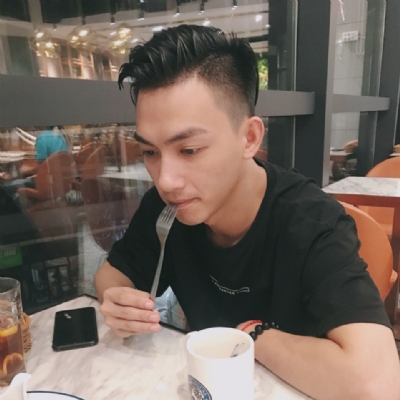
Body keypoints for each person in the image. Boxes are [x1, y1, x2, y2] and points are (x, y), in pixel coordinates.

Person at [94, 25, 400, 399]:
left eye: (189, 150)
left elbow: (377, 384)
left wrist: (252, 334)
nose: (166, 180)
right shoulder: (166, 210)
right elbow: (112, 276)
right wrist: (119, 302)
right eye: (150, 152)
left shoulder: (312, 222)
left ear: (250, 138)